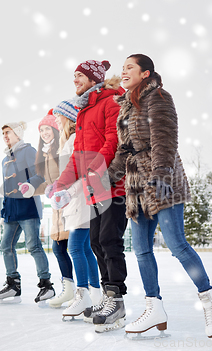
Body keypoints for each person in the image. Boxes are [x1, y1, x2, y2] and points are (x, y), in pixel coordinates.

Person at [107, 54, 212, 341]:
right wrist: (106, 179)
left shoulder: (158, 97)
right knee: (141, 250)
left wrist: (161, 175)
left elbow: (165, 139)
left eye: (129, 67)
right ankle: (154, 308)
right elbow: (124, 151)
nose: (123, 71)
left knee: (177, 245)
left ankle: (211, 301)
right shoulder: (125, 108)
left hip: (163, 181)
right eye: (122, 67)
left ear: (145, 73)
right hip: (137, 186)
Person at [48, 59, 128, 332]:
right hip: (94, 189)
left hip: (113, 184)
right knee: (96, 242)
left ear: (94, 78)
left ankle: (116, 298)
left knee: (109, 240)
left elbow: (112, 141)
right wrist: (61, 182)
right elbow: (77, 158)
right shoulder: (84, 110)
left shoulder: (110, 101)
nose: (75, 80)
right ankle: (107, 296)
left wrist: (95, 168)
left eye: (79, 75)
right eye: (73, 76)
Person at [50, 99, 102, 320]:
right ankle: (95, 294)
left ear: (68, 117)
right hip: (76, 200)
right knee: (85, 248)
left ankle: (84, 294)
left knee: (75, 248)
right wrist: (56, 187)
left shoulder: (72, 140)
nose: (57, 121)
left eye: (59, 116)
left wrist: (65, 191)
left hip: (80, 200)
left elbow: (77, 171)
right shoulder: (68, 141)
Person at [0, 121, 54, 304]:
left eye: (8, 132)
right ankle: (13, 284)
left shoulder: (28, 151)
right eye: (3, 133)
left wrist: (30, 184)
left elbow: (40, 173)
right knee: (5, 246)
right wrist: (4, 212)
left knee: (33, 245)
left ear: (17, 134)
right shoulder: (5, 159)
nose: (5, 136)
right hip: (11, 210)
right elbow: (7, 188)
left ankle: (46, 285)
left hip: (28, 207)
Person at [32, 111, 74, 308]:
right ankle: (70, 287)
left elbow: (69, 172)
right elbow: (46, 182)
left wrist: (59, 187)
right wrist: (33, 188)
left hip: (69, 204)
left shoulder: (61, 148)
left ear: (55, 130)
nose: (44, 133)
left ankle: (83, 288)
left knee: (74, 247)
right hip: (56, 207)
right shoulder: (45, 153)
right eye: (41, 130)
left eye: (47, 128)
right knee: (59, 248)